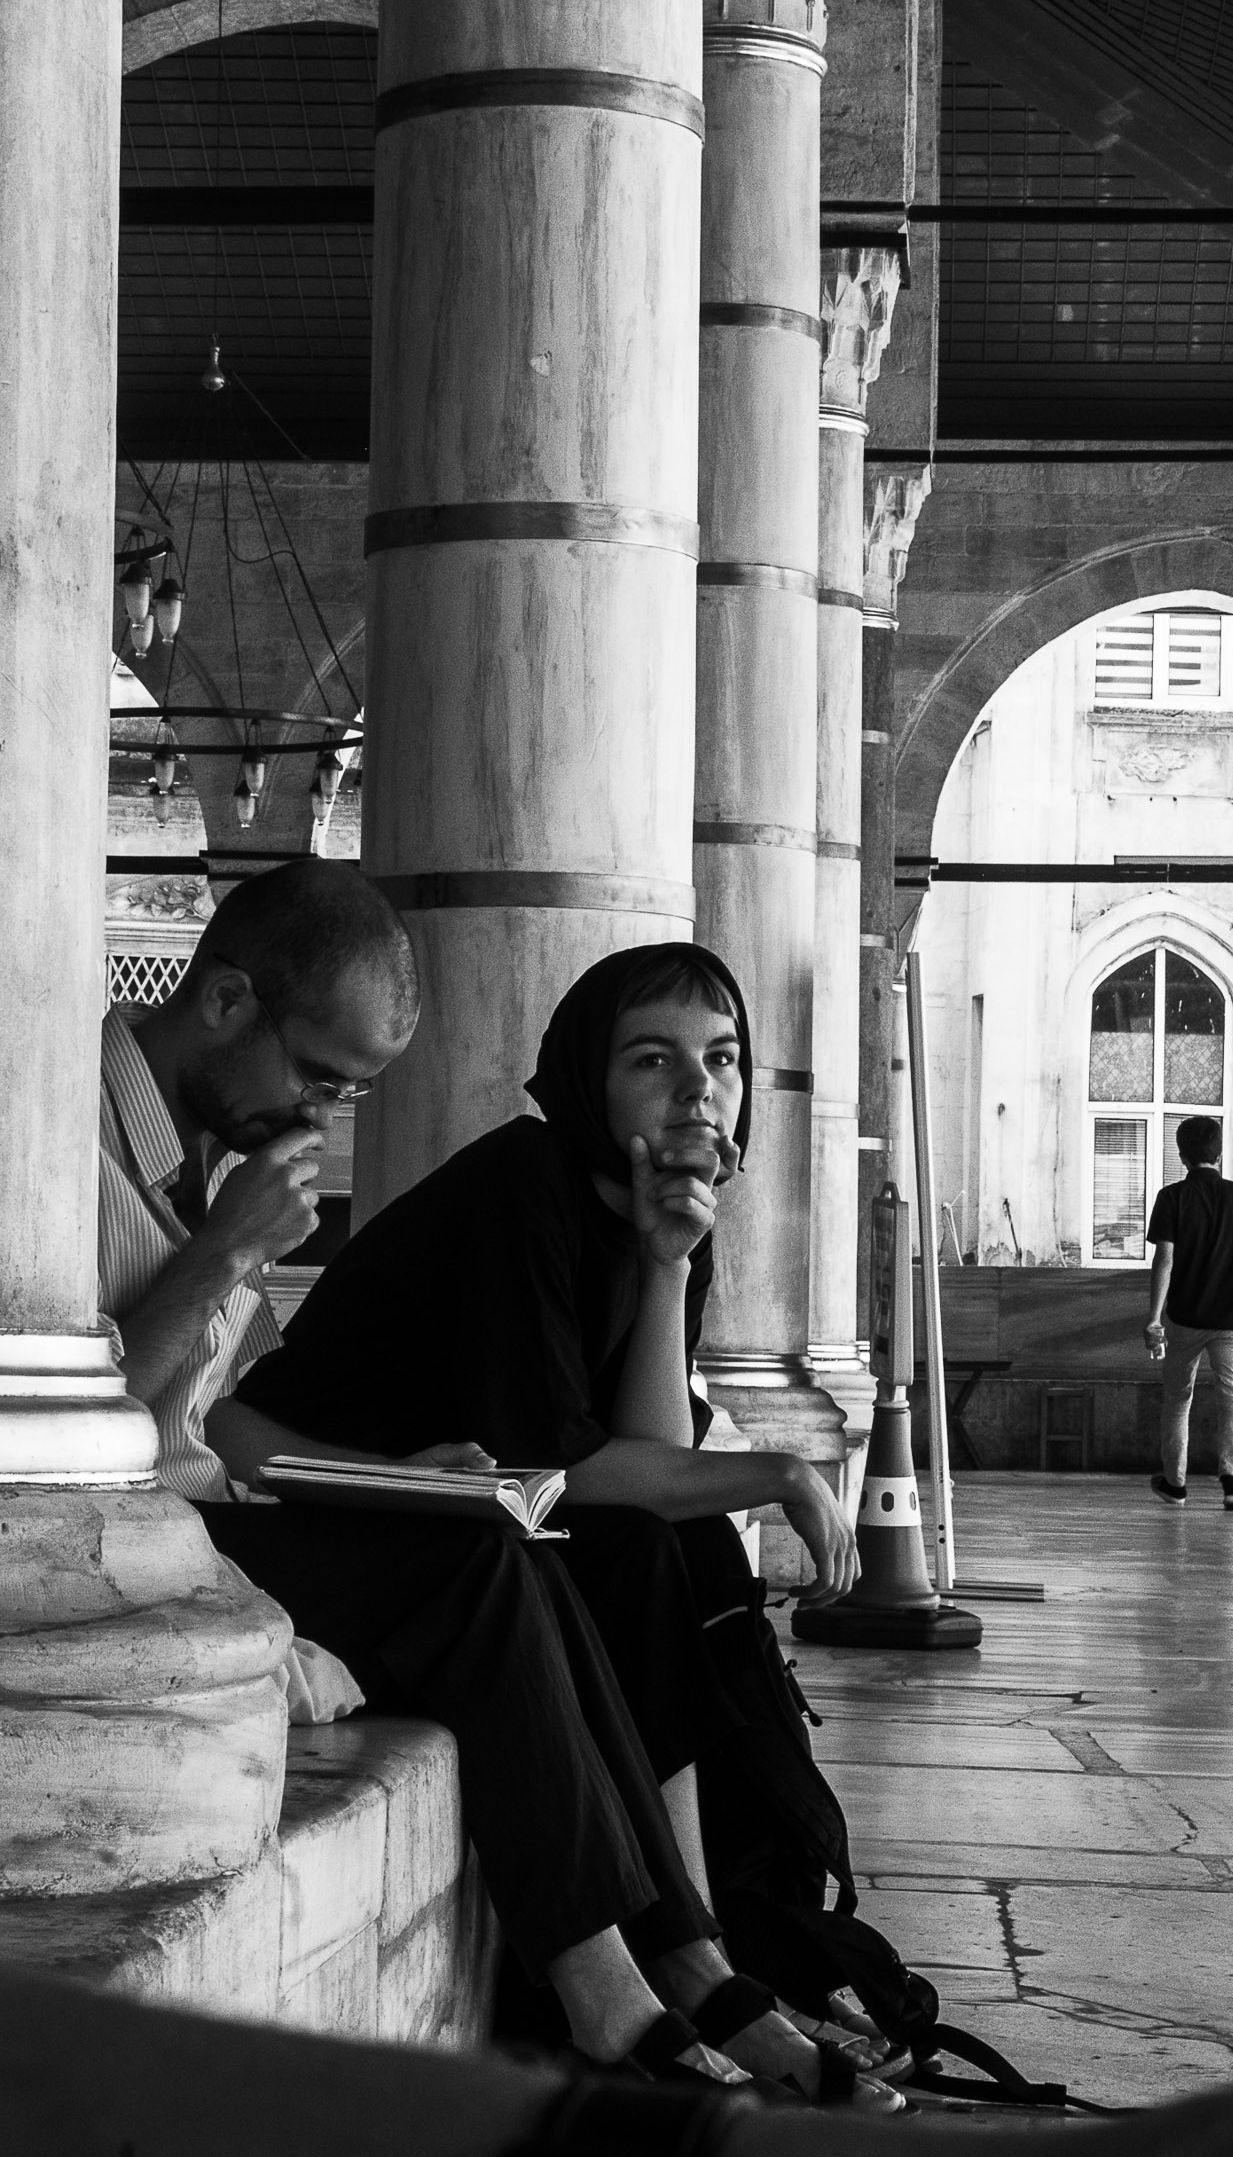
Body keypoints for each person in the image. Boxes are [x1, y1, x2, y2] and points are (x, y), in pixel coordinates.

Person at [98, 864, 888, 2106]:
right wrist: (222, 1253)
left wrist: (398, 1470)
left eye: (722, 1061)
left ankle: (683, 1955)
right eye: (317, 1078)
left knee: (594, 1548)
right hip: (141, 1529)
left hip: (246, 1507)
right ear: (228, 1001)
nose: (320, 1117)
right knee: (494, 1562)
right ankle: (606, 1988)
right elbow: (68, 1434)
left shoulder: (217, 1143)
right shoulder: (58, 1126)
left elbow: (240, 1425)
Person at [1143, 1115, 1233, 1512]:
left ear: (1181, 1155)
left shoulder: (1172, 1197)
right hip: (1232, 1320)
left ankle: (1176, 1485)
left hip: (1185, 1318)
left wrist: (1154, 1317)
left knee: (1179, 1398)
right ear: (1219, 1152)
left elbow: (1165, 1258)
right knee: (1232, 1395)